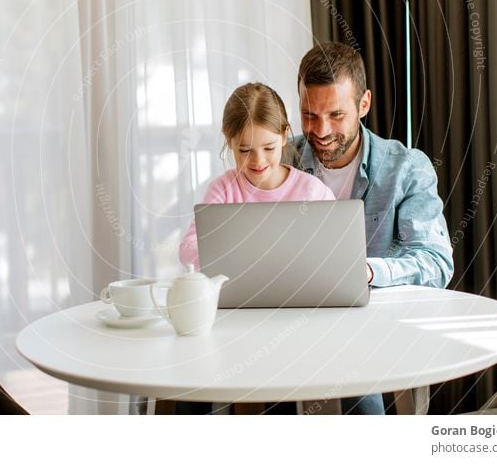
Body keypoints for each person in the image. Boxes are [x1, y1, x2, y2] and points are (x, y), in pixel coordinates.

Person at [293, 42, 454, 414]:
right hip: (288, 326)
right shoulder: (277, 160)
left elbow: (435, 262)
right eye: (309, 115)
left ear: (363, 104)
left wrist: (367, 271)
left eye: (336, 115)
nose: (321, 131)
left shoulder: (405, 168)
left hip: (369, 333)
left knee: (361, 401)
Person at [179, 81, 334, 272]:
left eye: (269, 148)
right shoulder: (224, 191)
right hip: (238, 296)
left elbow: (337, 247)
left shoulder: (312, 191)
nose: (258, 161)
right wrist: (226, 250)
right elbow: (187, 248)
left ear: (285, 136)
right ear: (230, 142)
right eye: (245, 150)